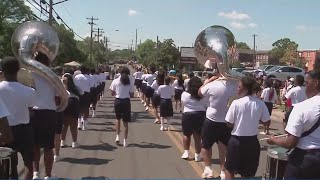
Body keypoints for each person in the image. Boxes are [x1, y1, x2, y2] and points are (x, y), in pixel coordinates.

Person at [267, 70, 320, 179]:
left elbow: (290, 143)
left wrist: (274, 140)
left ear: (316, 83)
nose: (305, 87)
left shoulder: (302, 107)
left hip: (305, 158)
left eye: (307, 83)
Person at [224, 76, 270, 179]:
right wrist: (255, 118)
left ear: (245, 89)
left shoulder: (236, 103)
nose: (237, 89)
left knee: (230, 169)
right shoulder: (260, 103)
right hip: (252, 142)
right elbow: (267, 122)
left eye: (239, 87)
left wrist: (238, 122)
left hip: (236, 140)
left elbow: (228, 122)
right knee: (247, 173)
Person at [0, 57, 36, 179]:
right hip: (24, 130)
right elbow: (31, 111)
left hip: (3, 131)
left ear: (2, 70)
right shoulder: (29, 91)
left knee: (7, 162)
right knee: (28, 163)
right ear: (18, 70)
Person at [198, 73, 237, 179]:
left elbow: (199, 93)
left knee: (206, 145)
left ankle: (208, 169)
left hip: (211, 120)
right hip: (227, 121)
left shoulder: (213, 84)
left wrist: (209, 80)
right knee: (223, 147)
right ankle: (223, 171)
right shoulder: (235, 85)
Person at [30, 52, 60, 179]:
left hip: (33, 112)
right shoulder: (53, 77)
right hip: (48, 112)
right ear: (48, 62)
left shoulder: (29, 75)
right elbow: (58, 99)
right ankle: (48, 175)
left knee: (35, 145)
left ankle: (36, 173)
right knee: (48, 146)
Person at [180, 77, 207, 161]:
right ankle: (197, 155)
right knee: (198, 136)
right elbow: (206, 105)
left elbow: (183, 103)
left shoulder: (184, 94)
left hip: (187, 115)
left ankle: (186, 152)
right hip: (200, 115)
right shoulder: (204, 95)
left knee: (186, 135)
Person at [109, 66, 134, 147]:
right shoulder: (130, 81)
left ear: (120, 72)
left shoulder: (115, 81)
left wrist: (117, 92)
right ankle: (125, 141)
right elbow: (132, 95)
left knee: (118, 119)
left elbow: (112, 93)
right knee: (126, 122)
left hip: (118, 101)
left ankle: (117, 136)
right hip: (126, 101)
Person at [60, 73, 81, 149]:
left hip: (64, 104)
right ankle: (74, 142)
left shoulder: (60, 87)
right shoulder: (75, 88)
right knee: (73, 125)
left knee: (64, 125)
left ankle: (62, 141)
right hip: (73, 104)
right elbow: (80, 95)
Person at [52, 66, 64, 162]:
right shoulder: (59, 81)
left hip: (40, 111)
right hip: (56, 110)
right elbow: (60, 97)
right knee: (57, 133)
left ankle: (36, 171)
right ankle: (56, 154)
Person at [74, 66, 91, 131]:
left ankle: (79, 124)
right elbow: (91, 86)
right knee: (86, 109)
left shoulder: (76, 77)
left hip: (78, 94)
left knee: (79, 109)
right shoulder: (88, 77)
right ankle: (84, 125)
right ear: (86, 71)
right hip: (86, 94)